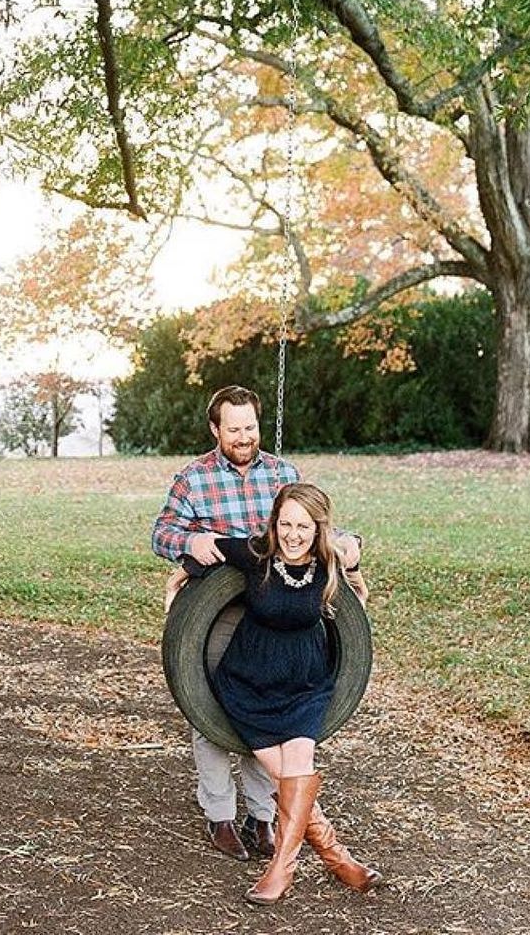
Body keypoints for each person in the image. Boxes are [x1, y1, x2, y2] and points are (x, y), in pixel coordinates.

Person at [152, 385, 363, 862]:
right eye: (234, 429)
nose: (244, 437)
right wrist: (191, 541)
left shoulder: (282, 473)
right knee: (212, 713)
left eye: (250, 427)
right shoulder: (194, 478)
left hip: (279, 606)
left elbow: (313, 526)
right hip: (216, 613)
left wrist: (353, 545)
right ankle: (220, 815)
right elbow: (161, 532)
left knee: (276, 706)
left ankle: (263, 817)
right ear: (215, 429)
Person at [179, 483, 382, 904]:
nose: (293, 534)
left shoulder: (329, 562)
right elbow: (202, 552)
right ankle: (338, 858)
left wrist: (355, 558)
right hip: (248, 687)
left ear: (318, 528)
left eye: (303, 526)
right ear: (274, 524)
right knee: (287, 777)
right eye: (285, 524)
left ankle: (281, 872)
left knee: (298, 772)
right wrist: (177, 576)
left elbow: (358, 577)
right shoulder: (256, 556)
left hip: (305, 685)